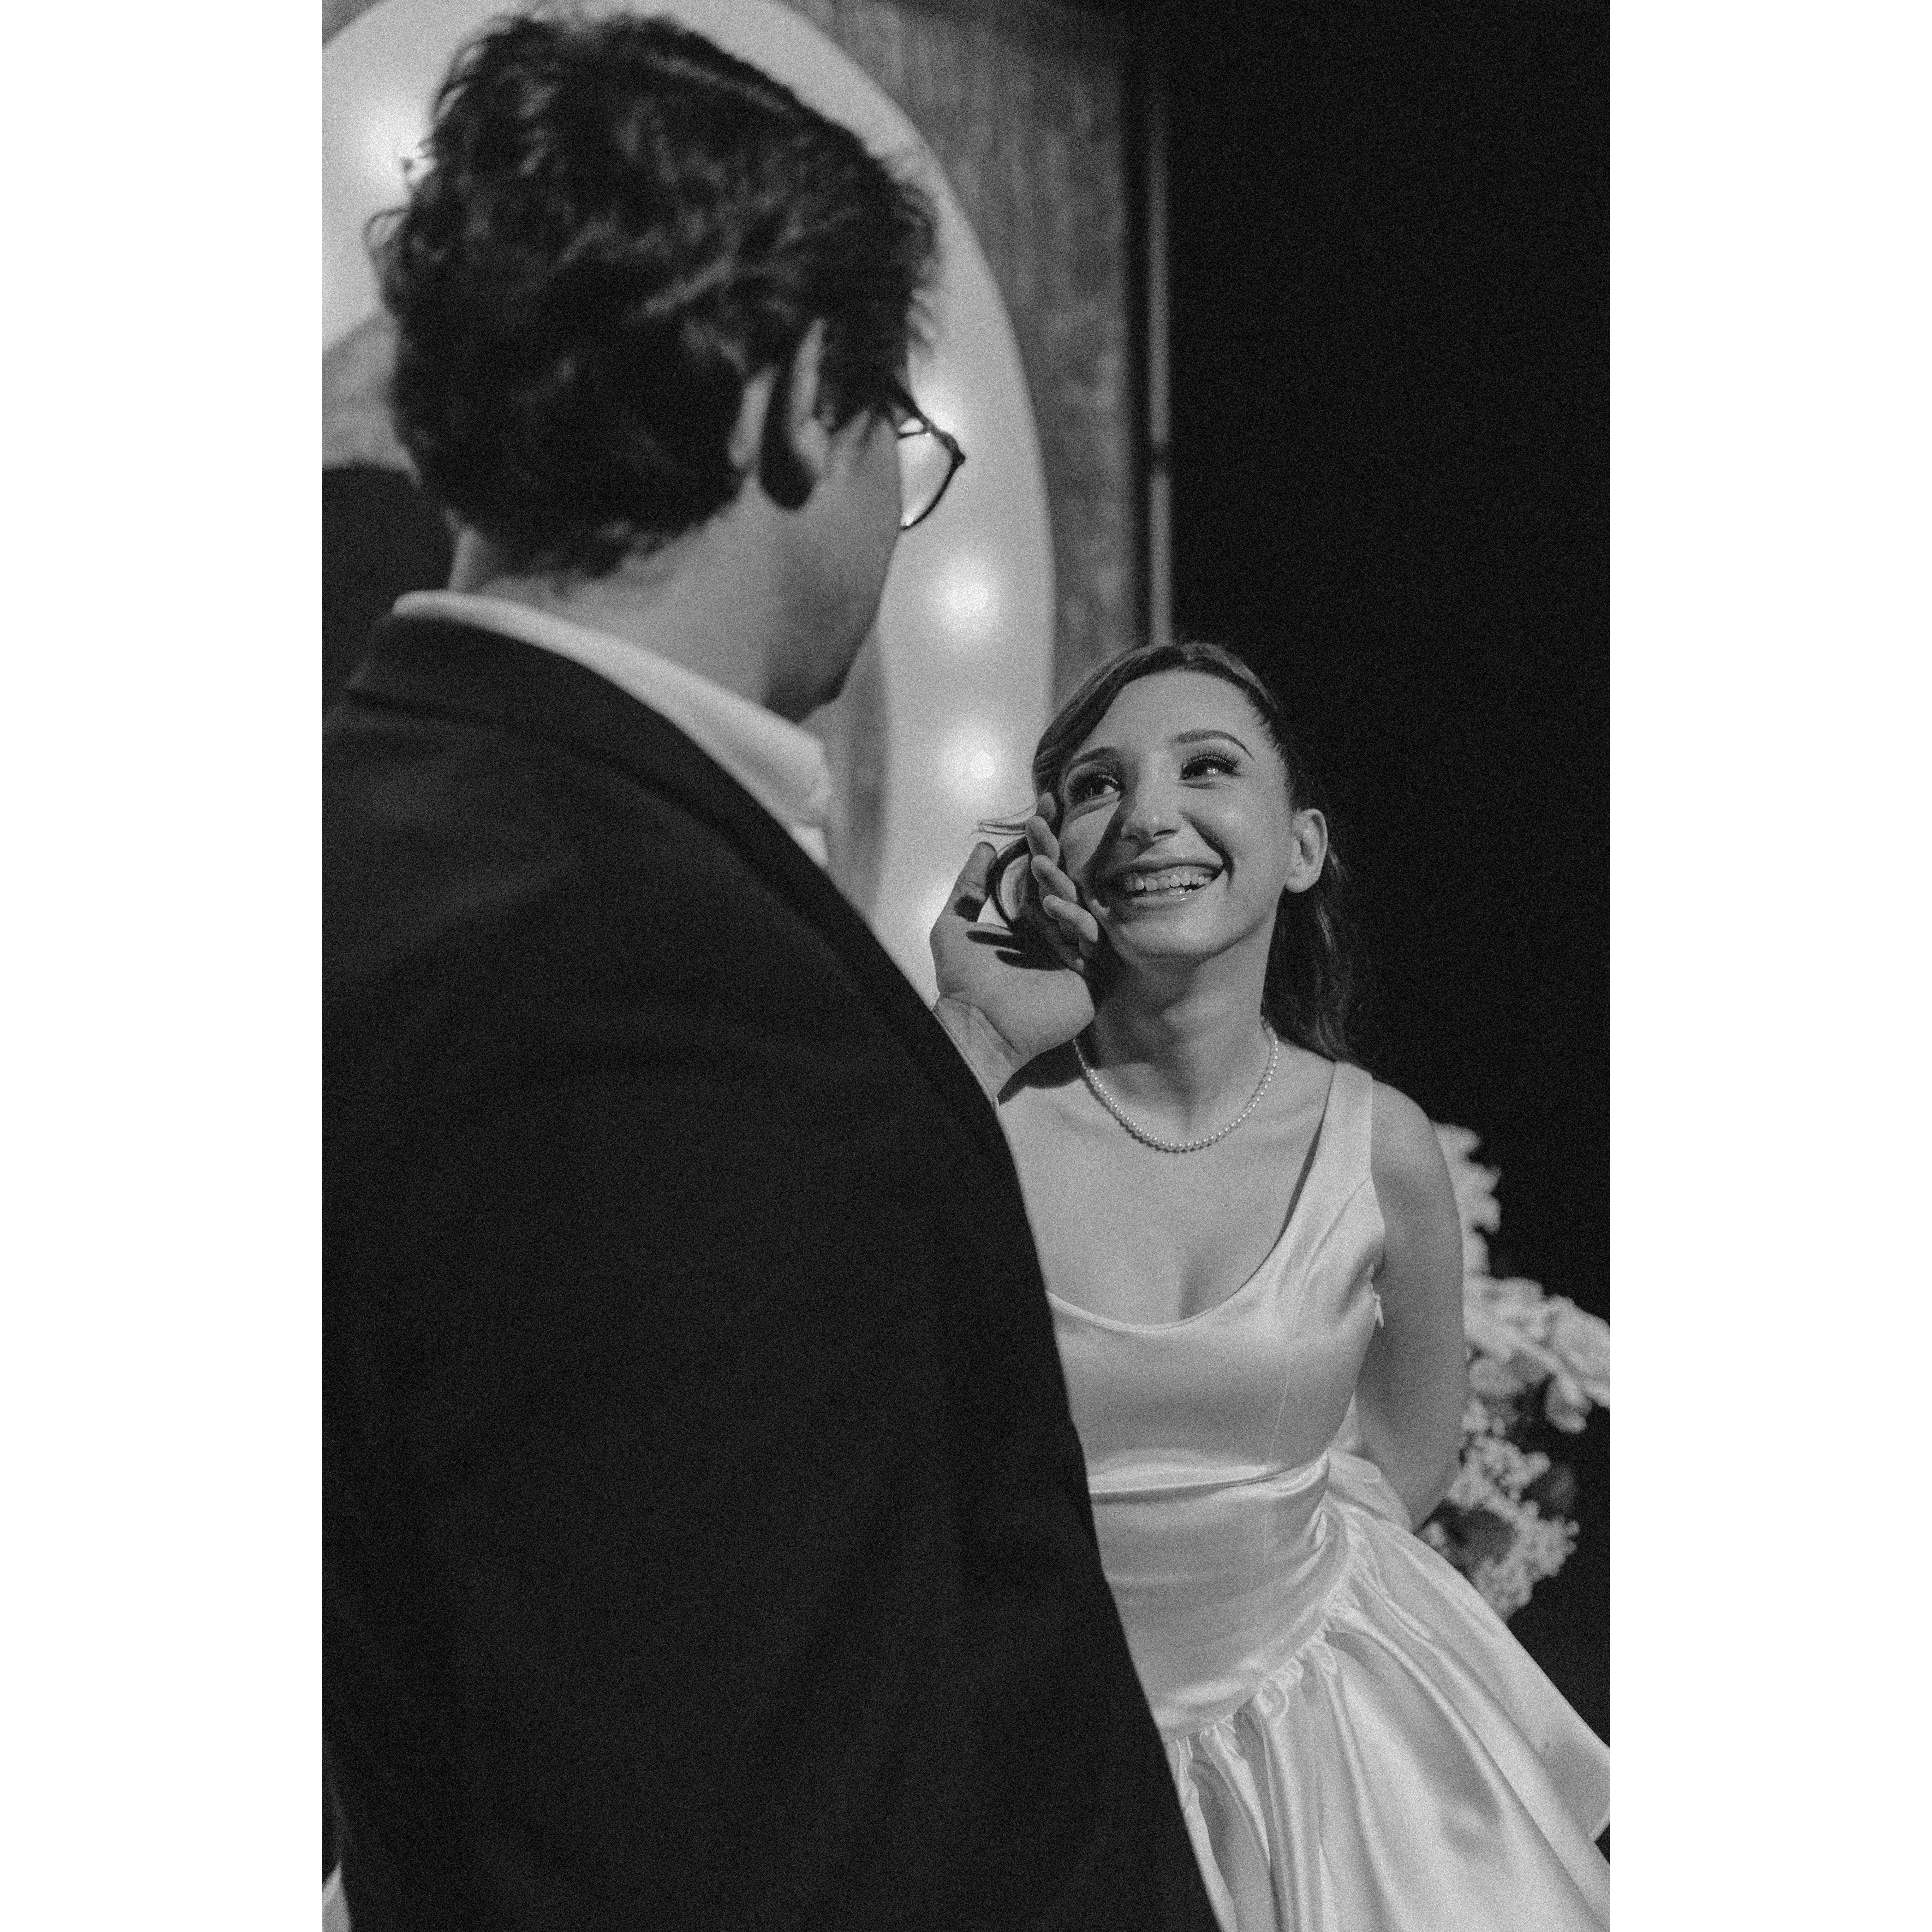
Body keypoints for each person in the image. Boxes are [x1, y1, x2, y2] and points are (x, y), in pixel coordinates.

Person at [323, 15, 1219, 1930]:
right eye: (899, 427)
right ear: (803, 396)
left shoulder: (375, 829)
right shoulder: (638, 981)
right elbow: (737, 1827)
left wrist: (949, 1047)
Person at [930, 639, 1611, 1930]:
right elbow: (812, 1381)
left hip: (1324, 1756)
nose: (1148, 814)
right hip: (1019, 1758)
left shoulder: (1380, 1144)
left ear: (1301, 847)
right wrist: (971, 1033)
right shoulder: (972, 1122)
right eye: (1096, 786)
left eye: (1207, 767)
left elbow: (1407, 1463)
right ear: (1046, 853)